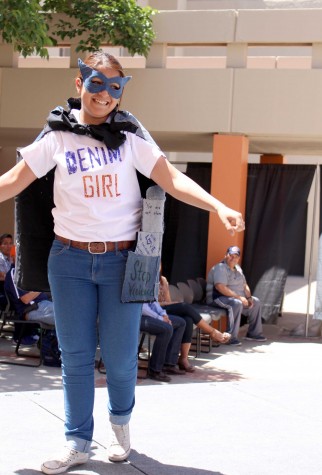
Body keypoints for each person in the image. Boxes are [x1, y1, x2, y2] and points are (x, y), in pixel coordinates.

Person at [0, 51, 245, 474]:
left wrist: (217, 206)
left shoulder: (131, 138)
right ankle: (77, 442)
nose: (105, 94)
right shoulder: (57, 137)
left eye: (115, 86)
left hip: (121, 262)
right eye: (96, 83)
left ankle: (120, 424)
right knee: (75, 356)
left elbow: (172, 179)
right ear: (79, 85)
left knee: (119, 357)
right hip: (68, 259)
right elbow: (15, 179)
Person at [158, 274, 231, 372]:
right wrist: (171, 304)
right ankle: (212, 332)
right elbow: (150, 303)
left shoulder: (163, 279)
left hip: (165, 308)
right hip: (154, 310)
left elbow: (168, 300)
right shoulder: (147, 279)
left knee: (188, 319)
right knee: (185, 307)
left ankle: (183, 359)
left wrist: (170, 303)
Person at [206, 246, 266, 346]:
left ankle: (254, 333)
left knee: (256, 301)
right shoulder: (220, 268)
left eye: (236, 256)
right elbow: (220, 287)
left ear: (239, 258)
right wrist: (239, 297)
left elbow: (244, 285)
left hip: (234, 298)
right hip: (217, 298)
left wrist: (249, 297)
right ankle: (230, 338)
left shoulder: (237, 268)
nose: (233, 258)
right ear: (226, 255)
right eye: (231, 255)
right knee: (236, 303)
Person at [141, 302, 186, 382]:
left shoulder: (150, 288)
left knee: (181, 323)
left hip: (153, 316)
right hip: (139, 317)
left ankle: (168, 364)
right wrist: (160, 318)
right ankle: (154, 370)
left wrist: (164, 315)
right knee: (166, 329)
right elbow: (142, 308)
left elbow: (154, 303)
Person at [0, 233, 14, 310]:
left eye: (10, 243)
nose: (9, 246)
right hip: (4, 290)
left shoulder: (12, 258)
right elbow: (2, 276)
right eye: (5, 244)